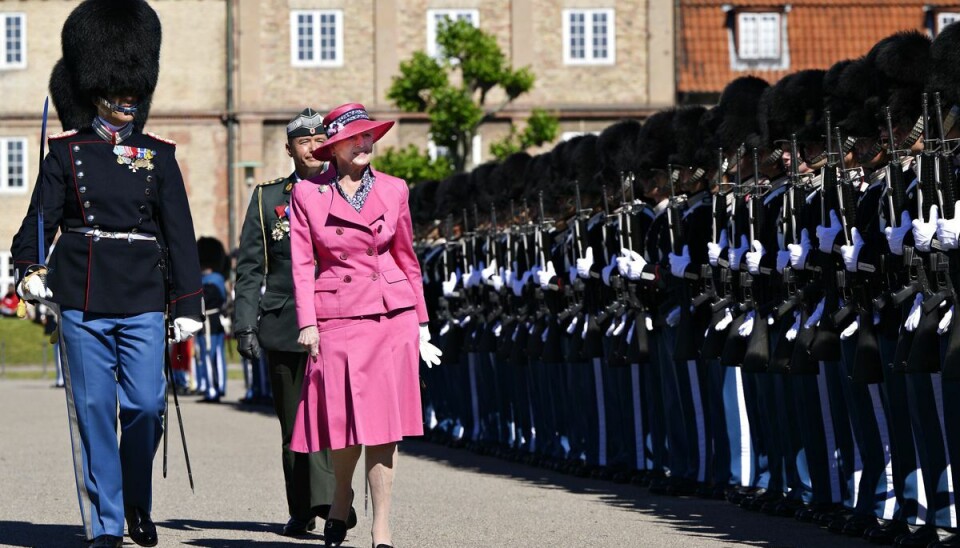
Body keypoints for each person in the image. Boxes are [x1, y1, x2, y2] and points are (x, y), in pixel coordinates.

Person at [10, 1, 204, 547]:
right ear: (96, 91)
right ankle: (106, 524)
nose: (128, 100)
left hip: (143, 292)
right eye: (119, 91)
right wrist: (27, 267)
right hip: (83, 292)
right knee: (95, 410)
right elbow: (40, 217)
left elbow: (179, 232)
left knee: (144, 406)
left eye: (134, 91)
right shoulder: (65, 154)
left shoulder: (157, 155)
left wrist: (188, 305)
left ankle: (136, 499)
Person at [288, 103, 442, 548]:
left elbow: (407, 258)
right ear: (334, 147)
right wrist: (307, 322)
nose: (365, 142)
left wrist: (423, 323)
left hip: (391, 316)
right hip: (337, 314)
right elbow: (301, 263)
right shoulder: (308, 195)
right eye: (355, 137)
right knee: (344, 421)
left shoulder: (395, 189)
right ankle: (340, 495)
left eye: (369, 135)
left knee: (383, 425)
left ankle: (382, 526)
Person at [232, 108, 356, 536]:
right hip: (286, 322)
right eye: (303, 141)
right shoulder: (269, 198)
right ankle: (303, 507)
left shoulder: (346, 189)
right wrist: (244, 324)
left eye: (319, 140)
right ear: (289, 149)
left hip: (338, 317)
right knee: (294, 422)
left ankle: (332, 502)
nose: (312, 148)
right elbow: (250, 267)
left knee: (334, 416)